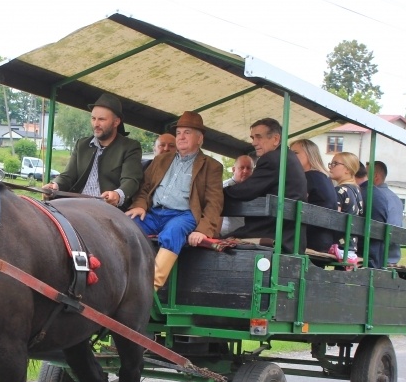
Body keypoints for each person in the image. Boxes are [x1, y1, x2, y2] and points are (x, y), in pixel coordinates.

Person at [125, 111, 223, 290]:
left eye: (187, 132)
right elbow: (144, 188)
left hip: (184, 215)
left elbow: (214, 202)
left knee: (173, 232)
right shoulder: (161, 159)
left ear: (200, 139)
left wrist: (203, 230)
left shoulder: (212, 166)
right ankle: (122, 278)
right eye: (178, 133)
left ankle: (149, 288)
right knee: (126, 227)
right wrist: (139, 205)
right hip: (154, 213)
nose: (181, 137)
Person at [223, 118, 308, 254]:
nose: (254, 143)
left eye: (258, 137)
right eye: (252, 138)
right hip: (290, 235)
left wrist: (218, 193)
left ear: (275, 139)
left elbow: (247, 190)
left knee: (214, 244)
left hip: (273, 233)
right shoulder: (288, 157)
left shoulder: (273, 159)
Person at [44, 92, 143, 208]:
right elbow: (68, 175)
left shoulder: (130, 147)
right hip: (74, 204)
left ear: (116, 122)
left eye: (101, 119)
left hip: (106, 208)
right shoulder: (81, 144)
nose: (96, 124)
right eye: (93, 118)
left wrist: (117, 194)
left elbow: (131, 180)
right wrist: (55, 185)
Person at [290, 139, 337, 252]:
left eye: (295, 153)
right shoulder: (323, 177)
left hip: (310, 239)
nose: (291, 156)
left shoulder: (309, 177)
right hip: (324, 238)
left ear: (309, 154)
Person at [328, 152, 363, 258]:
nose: (330, 167)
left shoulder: (340, 190)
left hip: (339, 246)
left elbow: (333, 219)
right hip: (351, 246)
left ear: (348, 169)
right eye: (331, 163)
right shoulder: (356, 190)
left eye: (335, 164)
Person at [355, 163, 388, 268]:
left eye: (335, 164)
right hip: (378, 255)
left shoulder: (360, 193)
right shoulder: (379, 194)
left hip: (364, 255)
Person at [372, 160, 404, 265]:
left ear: (376, 177)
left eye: (364, 175)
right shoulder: (396, 199)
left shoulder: (375, 196)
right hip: (393, 255)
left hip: (378, 256)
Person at [220, 155, 254, 235]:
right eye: (241, 167)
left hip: (247, 235)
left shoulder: (254, 189)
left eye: (248, 168)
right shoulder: (223, 187)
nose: (245, 171)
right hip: (226, 235)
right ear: (233, 169)